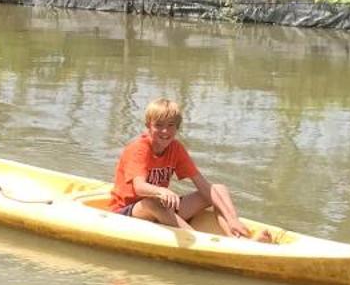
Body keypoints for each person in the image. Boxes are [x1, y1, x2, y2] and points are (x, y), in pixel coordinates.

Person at [110, 98, 270, 240]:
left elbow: (202, 184)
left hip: (161, 209)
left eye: (170, 125)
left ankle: (238, 238)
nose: (165, 131)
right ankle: (199, 242)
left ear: (177, 127)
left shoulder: (176, 148)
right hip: (128, 213)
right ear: (148, 126)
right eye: (158, 125)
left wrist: (232, 218)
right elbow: (139, 187)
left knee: (217, 190)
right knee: (155, 202)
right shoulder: (139, 148)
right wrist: (162, 191)